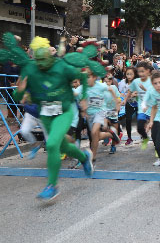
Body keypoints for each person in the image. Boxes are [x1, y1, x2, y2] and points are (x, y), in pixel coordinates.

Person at [7, 33, 95, 201]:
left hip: (64, 111)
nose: (40, 64)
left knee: (53, 143)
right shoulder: (30, 68)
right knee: (62, 147)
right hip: (45, 113)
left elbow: (83, 77)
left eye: (43, 60)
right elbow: (17, 97)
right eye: (37, 60)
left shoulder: (62, 66)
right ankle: (84, 157)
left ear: (50, 55)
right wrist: (20, 91)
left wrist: (83, 98)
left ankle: (52, 186)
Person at [126, 62, 153, 150]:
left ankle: (158, 148)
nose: (140, 74)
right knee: (140, 128)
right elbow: (130, 90)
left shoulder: (152, 81)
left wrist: (145, 89)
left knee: (156, 132)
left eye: (142, 71)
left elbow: (155, 94)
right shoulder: (136, 81)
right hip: (142, 109)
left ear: (148, 71)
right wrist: (125, 100)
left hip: (153, 108)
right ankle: (145, 138)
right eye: (139, 72)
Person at [118, 67, 137, 145]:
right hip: (129, 103)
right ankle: (129, 138)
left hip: (138, 103)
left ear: (135, 75)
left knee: (142, 121)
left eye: (131, 74)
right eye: (127, 74)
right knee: (128, 120)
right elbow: (118, 92)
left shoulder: (137, 82)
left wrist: (135, 94)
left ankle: (144, 134)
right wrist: (123, 96)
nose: (129, 76)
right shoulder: (123, 82)